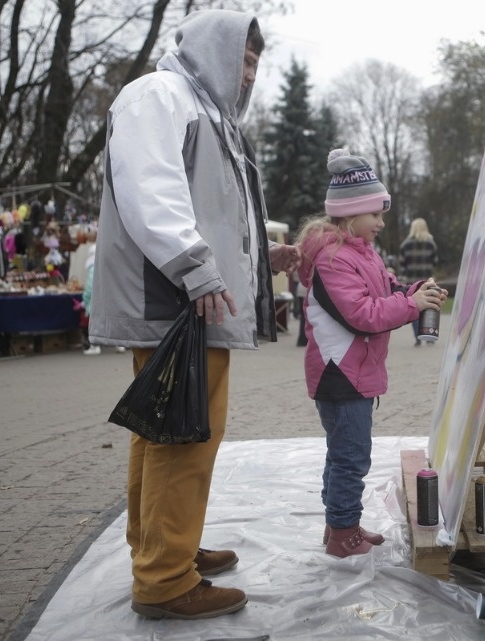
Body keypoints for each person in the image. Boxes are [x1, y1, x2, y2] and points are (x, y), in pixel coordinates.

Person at [88, 10, 301, 620]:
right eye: (244, 57)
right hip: (177, 304)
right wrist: (193, 267)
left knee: (160, 431)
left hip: (185, 300)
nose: (250, 73)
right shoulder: (160, 95)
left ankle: (159, 547)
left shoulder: (207, 112)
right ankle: (164, 577)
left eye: (258, 61)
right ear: (215, 50)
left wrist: (264, 254)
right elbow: (151, 190)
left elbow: (213, 213)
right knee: (185, 436)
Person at [295, 149, 446, 558]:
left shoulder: (362, 253)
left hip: (352, 373)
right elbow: (362, 315)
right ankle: (344, 534)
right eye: (376, 214)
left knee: (343, 453)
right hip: (340, 375)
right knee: (350, 458)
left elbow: (385, 294)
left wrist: (414, 294)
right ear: (350, 215)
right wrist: (412, 308)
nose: (382, 222)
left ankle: (339, 524)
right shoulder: (333, 258)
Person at [398, 218, 439, 345]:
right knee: (429, 306)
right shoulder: (431, 243)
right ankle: (429, 334)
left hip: (411, 282)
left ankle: (418, 337)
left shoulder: (405, 244)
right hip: (427, 281)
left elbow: (402, 263)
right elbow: (435, 261)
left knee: (415, 306)